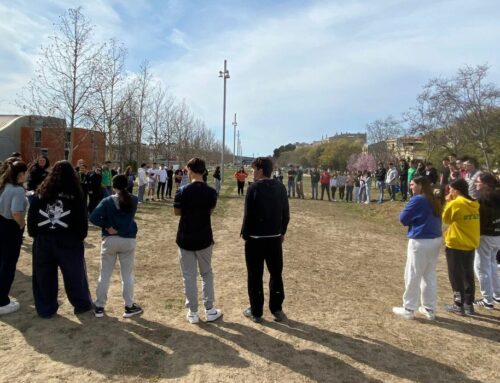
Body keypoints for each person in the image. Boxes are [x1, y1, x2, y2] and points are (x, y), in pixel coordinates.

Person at [27, 160, 93, 318]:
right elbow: (81, 218)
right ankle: (81, 304)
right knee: (74, 274)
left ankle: (45, 308)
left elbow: (32, 216)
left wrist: (35, 234)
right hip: (68, 240)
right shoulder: (74, 193)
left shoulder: (41, 192)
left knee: (44, 275)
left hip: (44, 240)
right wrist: (80, 237)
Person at [174, 157, 222, 324]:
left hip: (186, 237)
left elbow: (177, 212)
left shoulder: (182, 191)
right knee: (206, 273)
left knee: (189, 276)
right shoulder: (211, 192)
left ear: (191, 170)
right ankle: (209, 309)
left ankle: (193, 312)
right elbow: (210, 211)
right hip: (204, 238)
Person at [241, 157, 289, 323]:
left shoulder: (253, 188)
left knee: (255, 275)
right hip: (274, 239)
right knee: (276, 273)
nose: (253, 173)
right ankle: (277, 308)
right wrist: (282, 231)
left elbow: (248, 215)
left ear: (261, 170)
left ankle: (256, 311)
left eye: (254, 169)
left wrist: (245, 235)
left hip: (255, 240)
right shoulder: (280, 187)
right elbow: (286, 213)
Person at [90, 174, 142, 318]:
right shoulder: (134, 199)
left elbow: (93, 217)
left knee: (104, 274)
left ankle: (99, 306)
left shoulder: (107, 201)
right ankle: (129, 306)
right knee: (127, 275)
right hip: (128, 240)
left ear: (113, 186)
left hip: (110, 240)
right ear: (127, 185)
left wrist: (107, 226)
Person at [392, 176, 442, 320]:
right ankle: (429, 308)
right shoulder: (433, 199)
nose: (411, 187)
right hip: (435, 239)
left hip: (421, 240)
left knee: (413, 274)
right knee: (429, 275)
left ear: (420, 185)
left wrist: (414, 220)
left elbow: (403, 218)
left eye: (413, 184)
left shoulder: (418, 199)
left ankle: (409, 308)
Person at [442, 178, 480, 316]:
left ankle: (458, 304)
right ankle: (468, 303)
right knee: (468, 274)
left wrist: (449, 201)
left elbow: (446, 219)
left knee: (455, 274)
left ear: (456, 191)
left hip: (456, 244)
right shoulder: (474, 203)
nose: (449, 192)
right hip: (470, 243)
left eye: (450, 190)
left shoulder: (456, 203)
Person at [0, 161, 28, 315]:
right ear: (21, 174)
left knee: (2, 262)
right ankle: (2, 300)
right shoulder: (17, 190)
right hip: (11, 228)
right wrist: (22, 224)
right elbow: (15, 212)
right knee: (8, 265)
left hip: (1, 225)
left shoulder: (6, 186)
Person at [472, 173, 500, 309]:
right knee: (492, 264)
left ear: (487, 184)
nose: (476, 184)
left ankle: (487, 300)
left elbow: (480, 219)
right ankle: (497, 295)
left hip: (486, 236)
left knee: (481, 267)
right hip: (497, 235)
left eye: (478, 182)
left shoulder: (483, 199)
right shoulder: (497, 196)